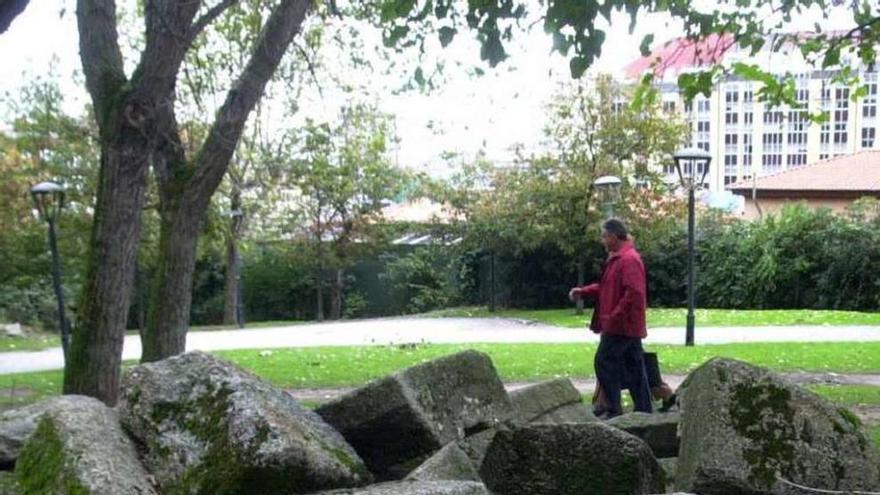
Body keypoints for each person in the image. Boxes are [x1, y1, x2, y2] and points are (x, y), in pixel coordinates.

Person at [569, 219, 652, 419]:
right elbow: (607, 286)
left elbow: (634, 293)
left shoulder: (628, 259)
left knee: (604, 361)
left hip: (622, 326)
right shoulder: (619, 258)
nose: (602, 240)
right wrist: (584, 291)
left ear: (614, 236)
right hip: (625, 325)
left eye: (604, 236)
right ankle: (644, 410)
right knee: (634, 366)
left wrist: (614, 317)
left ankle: (614, 408)